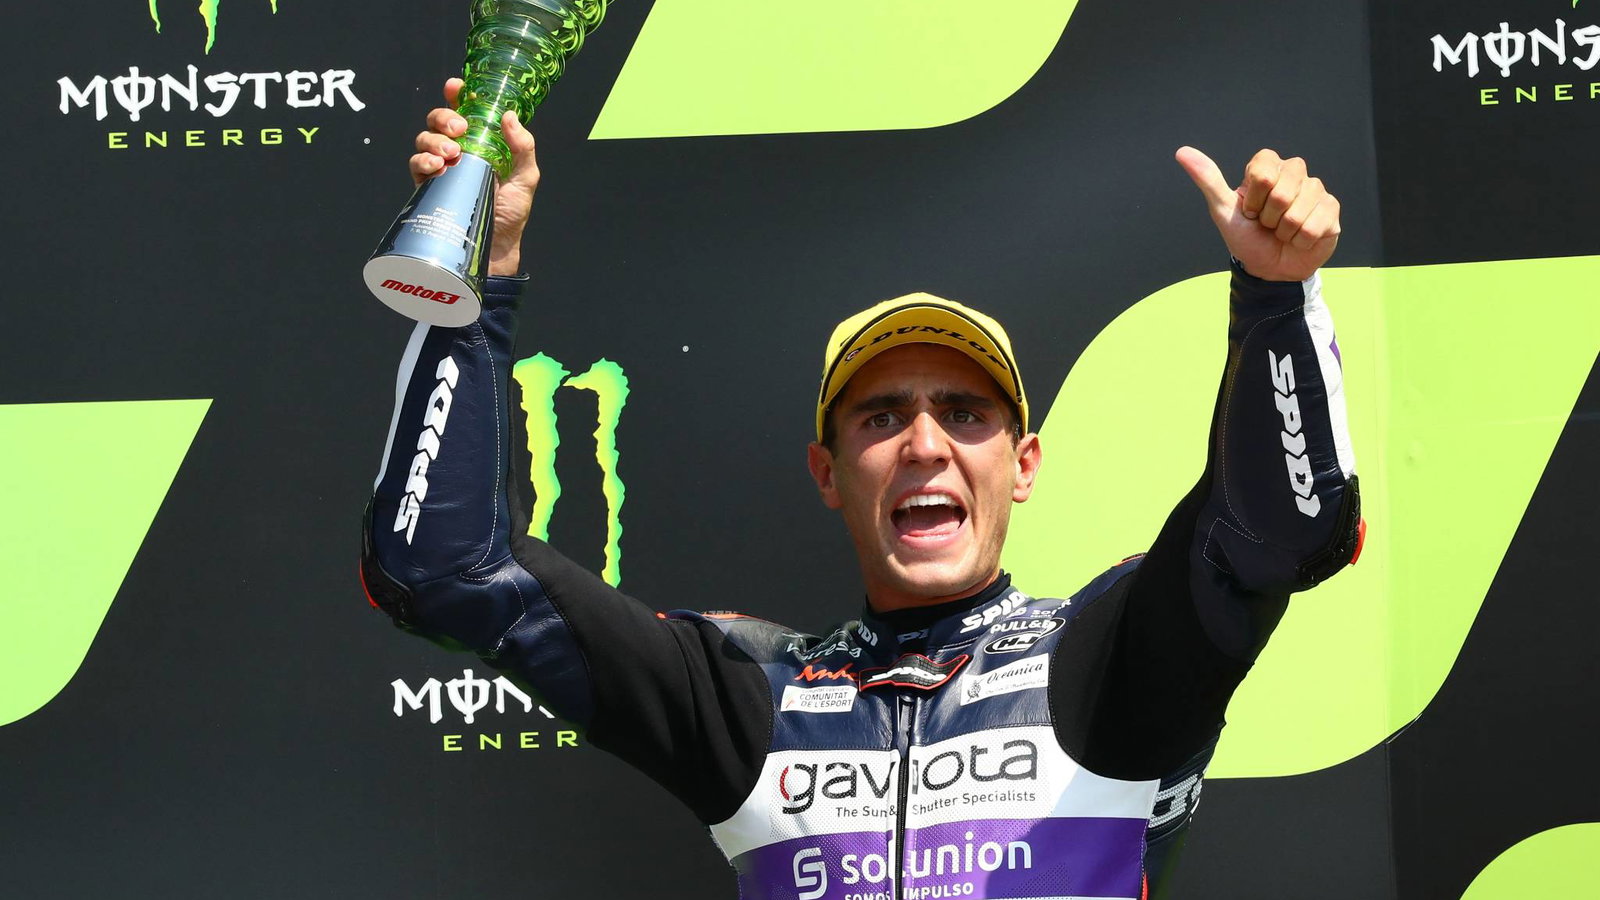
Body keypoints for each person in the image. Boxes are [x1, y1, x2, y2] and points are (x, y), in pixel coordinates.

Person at [360, 80, 1362, 900]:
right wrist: (476, 288)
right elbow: (443, 569)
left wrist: (1276, 298)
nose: (924, 444)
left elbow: (1280, 529)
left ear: (1023, 465)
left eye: (964, 414)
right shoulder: (749, 694)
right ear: (827, 473)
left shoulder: (1115, 658)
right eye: (881, 418)